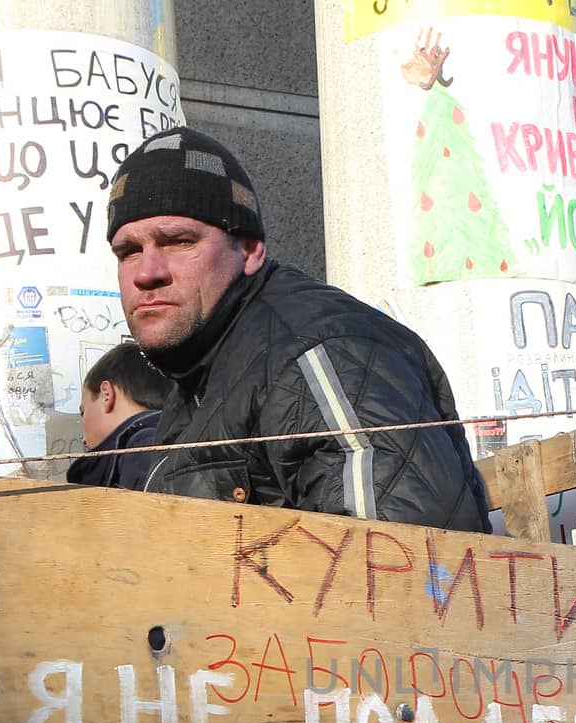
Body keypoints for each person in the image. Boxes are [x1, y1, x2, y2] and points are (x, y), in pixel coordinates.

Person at [105, 126, 490, 531]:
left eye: (180, 241)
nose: (147, 273)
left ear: (250, 250)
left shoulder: (321, 351)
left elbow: (392, 569)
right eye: (128, 251)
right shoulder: (199, 374)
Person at [67, 343, 173, 490]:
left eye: (83, 412)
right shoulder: (173, 438)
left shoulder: (141, 451)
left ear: (106, 395)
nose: (84, 440)